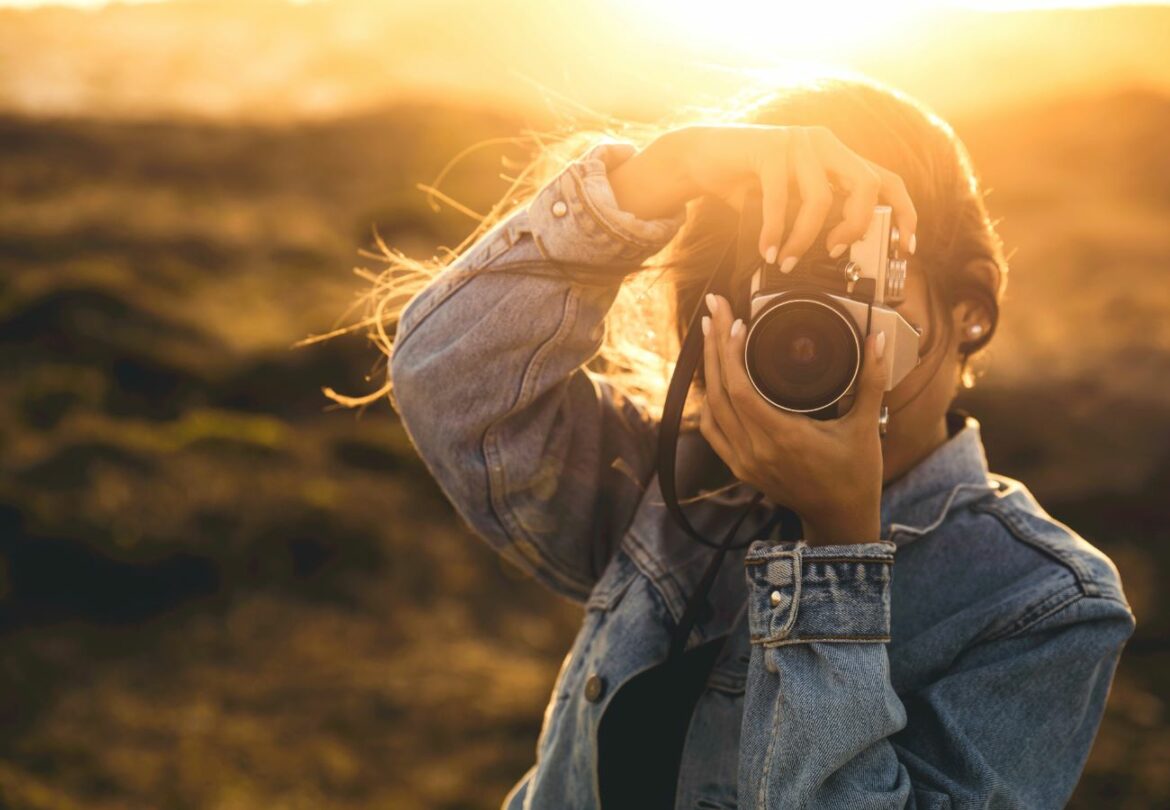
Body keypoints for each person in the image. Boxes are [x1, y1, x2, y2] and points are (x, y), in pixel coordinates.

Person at [368, 76, 1135, 808]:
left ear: (967, 309)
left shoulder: (1039, 604)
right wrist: (664, 173)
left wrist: (839, 551)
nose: (813, 330)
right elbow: (450, 379)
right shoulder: (670, 480)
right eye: (784, 292)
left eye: (858, 286)